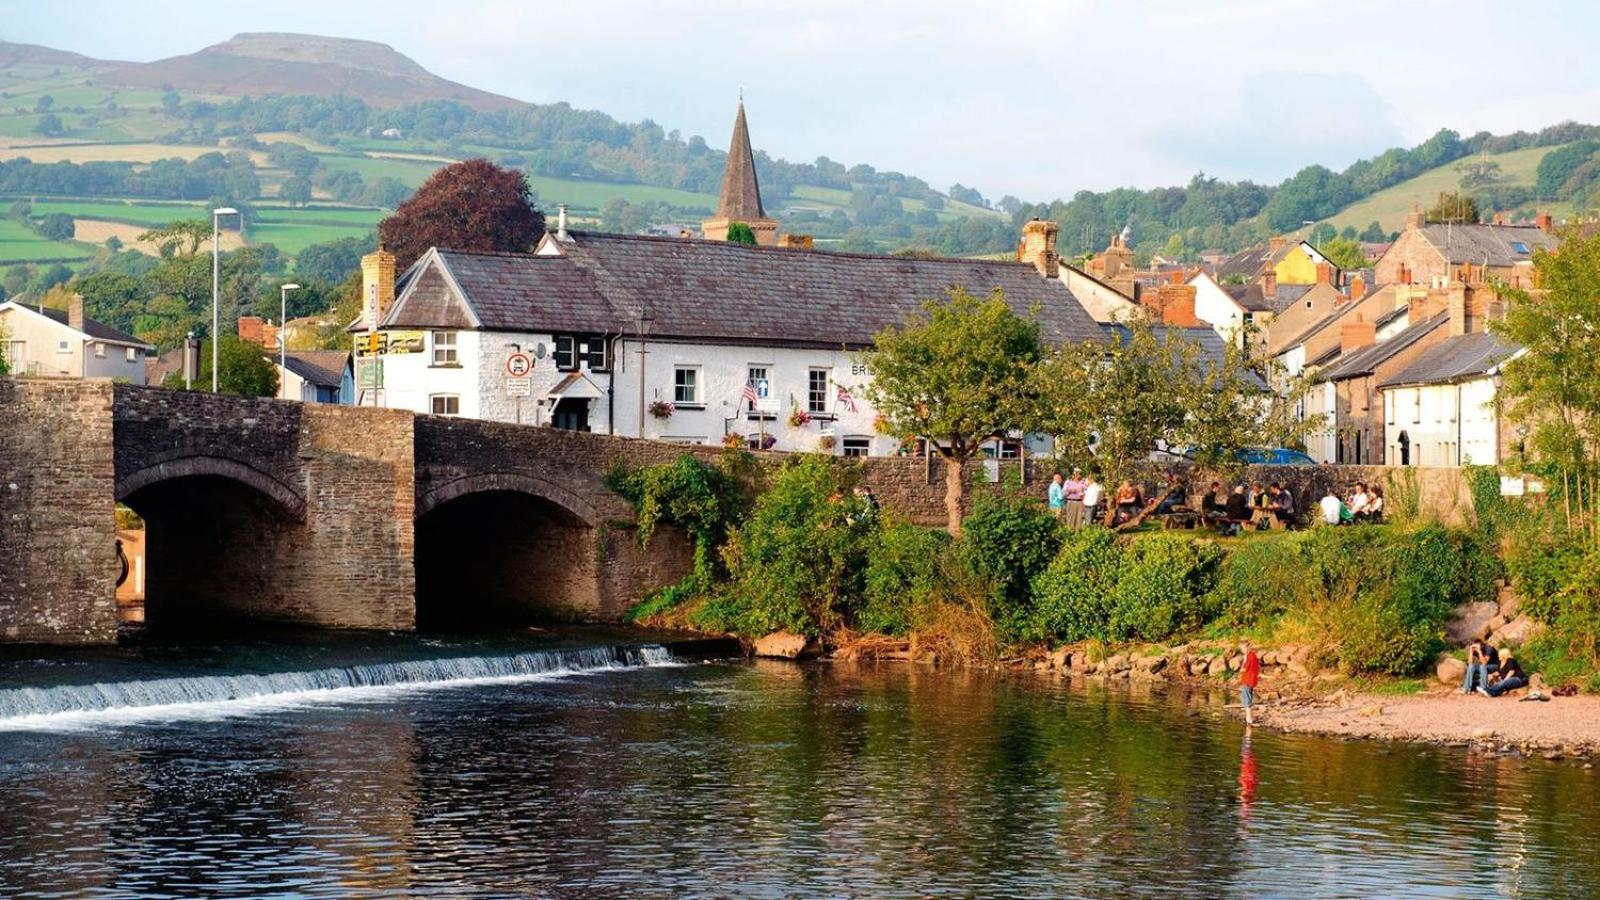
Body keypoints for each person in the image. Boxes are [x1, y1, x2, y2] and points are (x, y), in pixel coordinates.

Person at [1239, 640, 1261, 726]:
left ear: (1246, 647)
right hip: (1251, 680)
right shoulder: (1253, 655)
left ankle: (1249, 720)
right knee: (1248, 697)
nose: (1241, 650)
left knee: (1247, 699)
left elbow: (1244, 669)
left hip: (1247, 680)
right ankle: (1249, 718)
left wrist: (1244, 661)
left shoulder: (1249, 657)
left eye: (1242, 648)